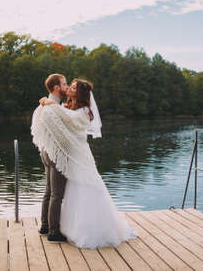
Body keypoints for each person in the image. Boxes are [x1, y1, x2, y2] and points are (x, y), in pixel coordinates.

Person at [31, 78, 137, 248]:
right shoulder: (66, 107)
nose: (69, 89)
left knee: (72, 191)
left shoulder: (84, 111)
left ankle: (54, 228)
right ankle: (50, 229)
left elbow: (66, 118)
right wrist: (48, 102)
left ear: (79, 93)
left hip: (79, 157)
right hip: (63, 155)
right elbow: (61, 114)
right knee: (55, 193)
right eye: (69, 85)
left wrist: (48, 101)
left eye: (73, 87)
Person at [37, 73, 69, 242]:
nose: (67, 86)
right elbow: (61, 135)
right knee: (57, 194)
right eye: (64, 83)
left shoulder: (47, 105)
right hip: (54, 153)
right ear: (56, 87)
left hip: (45, 151)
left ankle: (44, 226)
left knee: (48, 192)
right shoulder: (53, 108)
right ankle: (54, 232)